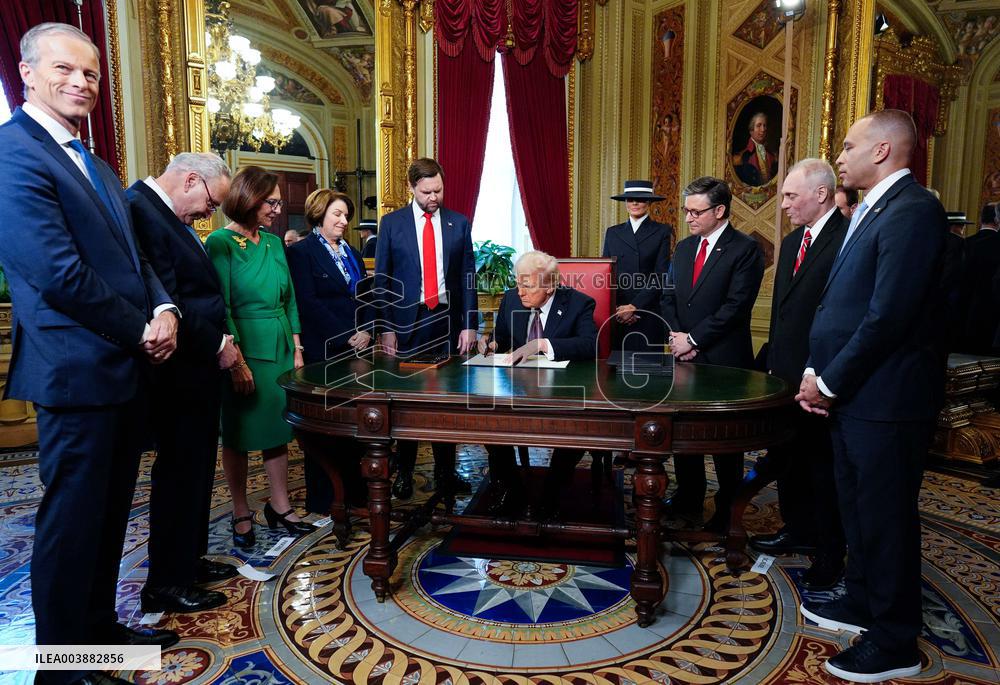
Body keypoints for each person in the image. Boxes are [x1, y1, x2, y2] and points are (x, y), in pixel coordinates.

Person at [0, 22, 180, 685]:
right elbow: (57, 273)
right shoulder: (12, 153)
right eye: (65, 69)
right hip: (75, 370)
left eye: (92, 75)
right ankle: (60, 667)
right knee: (70, 523)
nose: (80, 82)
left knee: (109, 516)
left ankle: (98, 636)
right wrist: (141, 328)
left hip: (125, 368)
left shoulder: (96, 161)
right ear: (26, 71)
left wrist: (162, 308)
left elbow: (137, 259)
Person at [796, 109, 946, 683]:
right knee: (857, 511)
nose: (840, 155)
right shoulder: (870, 210)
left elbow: (889, 316)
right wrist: (818, 371)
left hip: (887, 400)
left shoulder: (914, 211)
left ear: (882, 151)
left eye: (850, 144)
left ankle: (894, 640)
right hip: (854, 394)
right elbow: (841, 307)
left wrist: (829, 382)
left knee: (886, 520)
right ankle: (861, 600)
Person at [127, 153, 239, 614]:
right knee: (178, 476)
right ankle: (167, 582)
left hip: (196, 369)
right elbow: (167, 299)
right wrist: (217, 344)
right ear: (192, 180)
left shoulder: (164, 214)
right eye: (210, 203)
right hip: (179, 371)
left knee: (195, 473)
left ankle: (188, 563)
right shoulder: (141, 209)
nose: (207, 214)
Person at [748, 159, 847, 591]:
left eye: (790, 195)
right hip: (786, 373)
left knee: (823, 468)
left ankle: (829, 552)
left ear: (821, 194)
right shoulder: (790, 243)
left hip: (822, 377)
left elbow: (842, 316)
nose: (783, 203)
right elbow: (783, 314)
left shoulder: (846, 240)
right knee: (789, 459)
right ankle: (797, 528)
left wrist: (820, 374)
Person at [206, 166, 312, 548]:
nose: (277, 208)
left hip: (281, 344)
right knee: (238, 434)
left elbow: (290, 299)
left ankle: (280, 505)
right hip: (244, 347)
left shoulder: (273, 243)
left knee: (277, 431)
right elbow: (223, 305)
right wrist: (236, 360)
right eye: (271, 201)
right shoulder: (219, 243)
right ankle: (240, 510)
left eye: (278, 201)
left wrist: (297, 348)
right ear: (249, 199)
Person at [660, 176, 765, 531]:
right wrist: (677, 337)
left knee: (724, 440)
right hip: (683, 355)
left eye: (696, 211)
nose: (688, 218)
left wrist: (694, 339)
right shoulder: (685, 248)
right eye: (686, 210)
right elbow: (669, 296)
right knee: (685, 431)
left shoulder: (745, 249)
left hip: (723, 360)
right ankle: (689, 496)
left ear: (719, 211)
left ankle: (726, 508)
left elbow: (736, 307)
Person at [374, 157, 478, 500]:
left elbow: (468, 278)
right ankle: (403, 472)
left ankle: (446, 472)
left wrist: (470, 325)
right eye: (426, 191)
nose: (434, 197)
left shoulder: (459, 224)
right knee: (406, 403)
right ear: (412, 188)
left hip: (446, 322)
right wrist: (385, 328)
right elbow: (382, 280)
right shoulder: (392, 224)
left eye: (439, 190)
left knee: (445, 404)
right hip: (407, 323)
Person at [477, 251, 598, 517]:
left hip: (564, 391)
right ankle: (510, 486)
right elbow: (503, 335)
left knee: (573, 428)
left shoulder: (579, 303)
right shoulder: (511, 299)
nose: (520, 291)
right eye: (518, 283)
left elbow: (590, 345)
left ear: (550, 285)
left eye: (527, 285)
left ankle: (552, 491)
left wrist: (541, 344)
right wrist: (491, 342)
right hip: (518, 388)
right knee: (488, 417)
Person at [287, 189, 373, 514]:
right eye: (337, 214)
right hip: (325, 352)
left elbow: (365, 296)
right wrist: (347, 334)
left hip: (358, 354)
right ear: (319, 214)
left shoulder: (351, 251)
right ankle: (324, 500)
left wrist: (366, 330)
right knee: (325, 428)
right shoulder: (302, 252)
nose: (344, 220)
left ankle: (354, 493)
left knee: (354, 427)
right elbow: (307, 304)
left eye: (346, 215)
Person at [604, 180, 672, 351]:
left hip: (647, 311)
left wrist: (635, 307)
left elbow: (661, 275)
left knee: (648, 367)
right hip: (618, 313)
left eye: (640, 199)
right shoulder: (612, 232)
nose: (634, 203)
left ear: (649, 203)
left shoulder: (662, 231)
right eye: (630, 199)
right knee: (615, 370)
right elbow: (606, 274)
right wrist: (619, 310)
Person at [959, 203, 1000, 353]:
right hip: (994, 316)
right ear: (997, 220)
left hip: (967, 313)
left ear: (981, 219)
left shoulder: (966, 244)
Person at [735, 112, 778, 186]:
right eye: (759, 126)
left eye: (764, 125)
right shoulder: (741, 157)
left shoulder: (772, 155)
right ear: (751, 130)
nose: (763, 129)